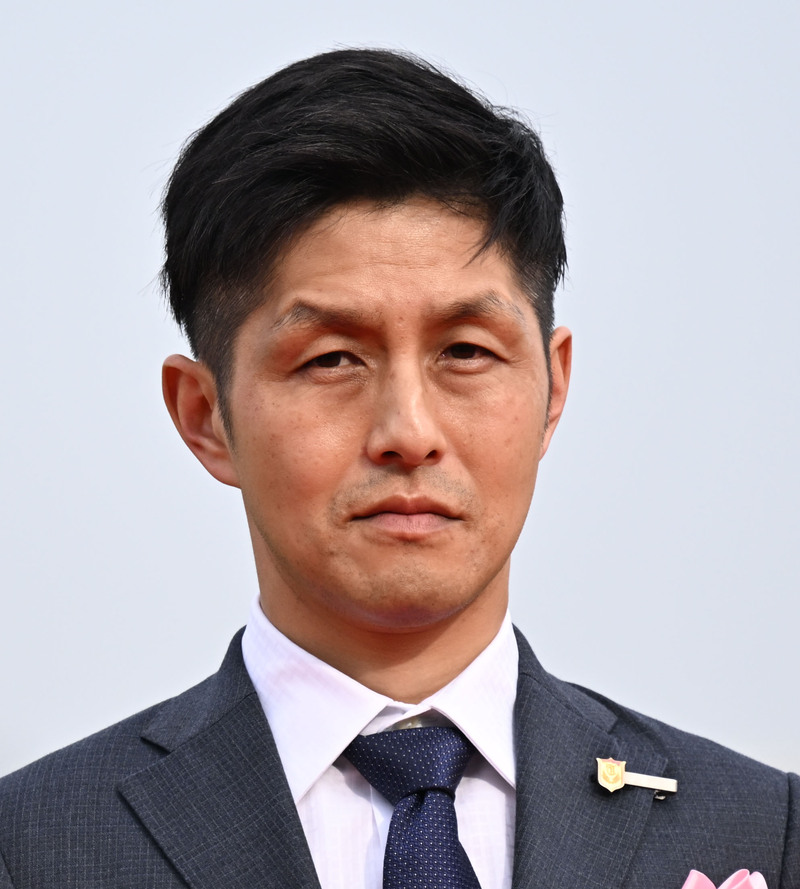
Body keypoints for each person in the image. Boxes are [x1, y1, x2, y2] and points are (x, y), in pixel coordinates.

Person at [0, 48, 797, 889]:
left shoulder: (759, 829)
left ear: (553, 386)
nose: (408, 433)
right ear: (205, 415)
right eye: (332, 359)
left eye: (466, 350)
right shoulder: (33, 850)